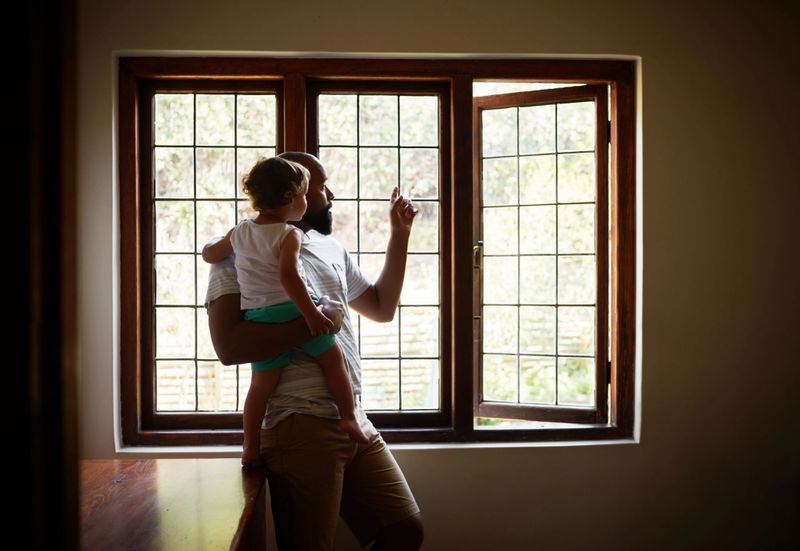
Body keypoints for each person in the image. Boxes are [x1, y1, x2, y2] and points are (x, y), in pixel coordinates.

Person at [204, 152, 424, 550]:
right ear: (292, 194)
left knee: (404, 530)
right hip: (297, 424)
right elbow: (229, 347)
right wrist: (316, 321)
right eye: (321, 187)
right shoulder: (241, 254)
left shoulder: (328, 247)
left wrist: (400, 235)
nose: (330, 195)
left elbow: (381, 307)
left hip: (350, 417)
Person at [203, 157, 368, 466]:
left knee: (259, 387)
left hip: (259, 315)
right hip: (290, 311)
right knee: (334, 360)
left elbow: (212, 253)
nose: (310, 200)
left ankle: (250, 446)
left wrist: (210, 248)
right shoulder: (288, 234)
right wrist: (312, 316)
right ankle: (347, 416)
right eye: (308, 193)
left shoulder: (240, 231)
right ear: (290, 198)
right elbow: (289, 277)